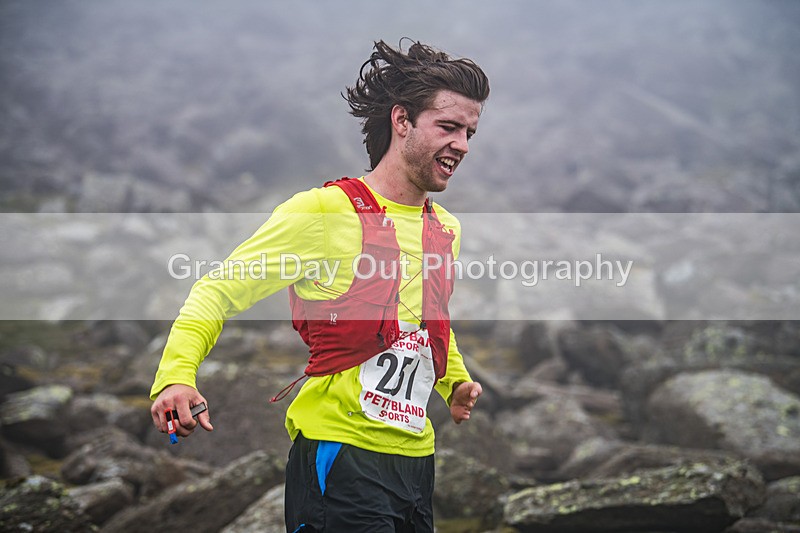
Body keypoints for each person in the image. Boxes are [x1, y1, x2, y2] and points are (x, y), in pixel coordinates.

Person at [150, 39, 490, 532]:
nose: (462, 144)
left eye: (470, 133)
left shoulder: (446, 229)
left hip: (417, 462)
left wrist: (453, 381)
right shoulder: (322, 212)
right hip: (339, 457)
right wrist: (176, 376)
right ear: (401, 121)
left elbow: (424, 320)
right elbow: (217, 289)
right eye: (448, 127)